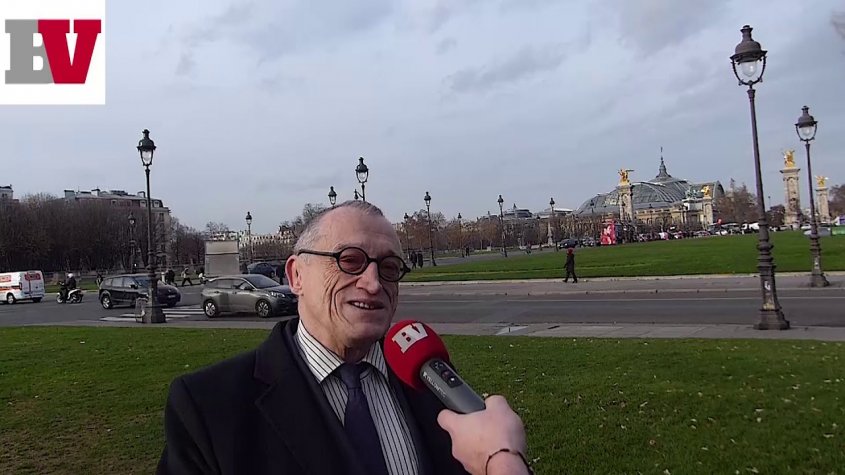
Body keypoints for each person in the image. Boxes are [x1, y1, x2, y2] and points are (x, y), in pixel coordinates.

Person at [157, 201, 531, 475]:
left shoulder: (429, 379)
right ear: (296, 275)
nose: (373, 283)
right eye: (350, 261)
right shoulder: (209, 407)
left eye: (389, 268)